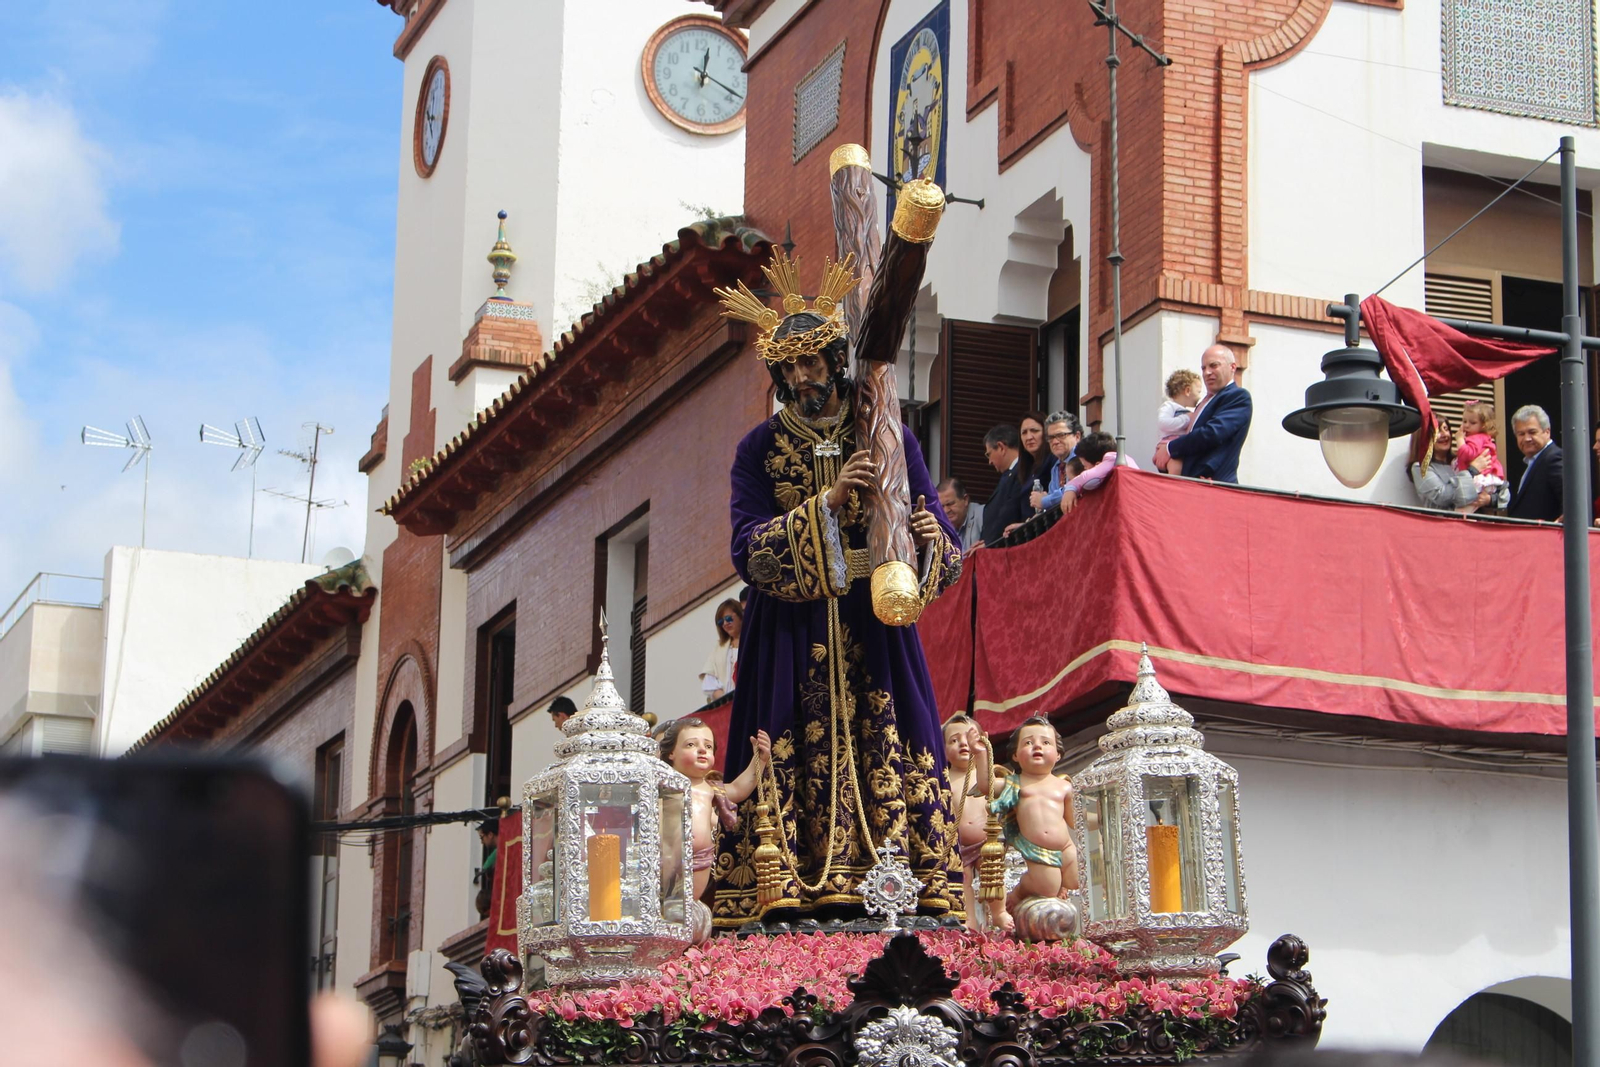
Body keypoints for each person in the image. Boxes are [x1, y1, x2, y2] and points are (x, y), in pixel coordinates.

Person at [711, 243, 964, 928]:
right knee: (792, 746)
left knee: (894, 733)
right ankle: (790, 887)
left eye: (813, 363)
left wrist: (928, 541)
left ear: (836, 360)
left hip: (876, 624)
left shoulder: (888, 436)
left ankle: (906, 881)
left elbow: (943, 538)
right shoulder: (758, 451)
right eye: (789, 367)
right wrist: (821, 506)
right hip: (790, 635)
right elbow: (746, 549)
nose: (802, 377)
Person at [659, 717, 770, 900]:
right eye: (691, 745)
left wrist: (759, 760)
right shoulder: (662, 786)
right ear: (671, 752)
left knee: (691, 903)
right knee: (669, 905)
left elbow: (738, 788)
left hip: (703, 858)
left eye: (708, 747)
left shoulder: (710, 789)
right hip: (669, 856)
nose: (702, 750)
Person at [989, 716, 1078, 933]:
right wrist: (983, 753)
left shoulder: (1064, 786)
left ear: (1058, 754)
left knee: (1077, 880)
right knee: (1047, 887)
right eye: (1028, 742)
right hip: (1037, 849)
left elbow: (1076, 821)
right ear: (1015, 755)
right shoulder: (1014, 783)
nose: (1037, 746)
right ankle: (1021, 890)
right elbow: (985, 785)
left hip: (1066, 847)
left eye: (1046, 742)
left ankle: (1061, 884)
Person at [1157, 345, 1251, 483]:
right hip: (1192, 484)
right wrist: (1165, 458)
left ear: (1232, 367)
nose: (1207, 372)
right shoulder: (1203, 403)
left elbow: (1212, 433)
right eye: (1203, 368)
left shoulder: (1238, 396)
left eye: (1213, 366)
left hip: (1215, 485)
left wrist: (1171, 448)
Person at [943, 714, 995, 928]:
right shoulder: (943, 778)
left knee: (992, 878)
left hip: (987, 843)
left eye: (969, 738)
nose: (963, 744)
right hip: (957, 846)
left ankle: (997, 915)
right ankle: (969, 921)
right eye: (954, 740)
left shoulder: (985, 774)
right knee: (962, 880)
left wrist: (982, 754)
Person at [1409, 416, 1495, 513]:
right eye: (1437, 431)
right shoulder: (1420, 467)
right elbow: (1442, 496)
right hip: (1445, 525)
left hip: (1478, 524)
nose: (1444, 434)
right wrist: (1472, 471)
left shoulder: (1460, 461)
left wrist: (1490, 499)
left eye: (1446, 429)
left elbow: (1501, 490)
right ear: (1424, 437)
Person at [1056, 431, 1139, 515]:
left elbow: (1085, 479)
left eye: (1085, 466)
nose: (1084, 469)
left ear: (1098, 465)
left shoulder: (1112, 460)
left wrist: (1070, 489)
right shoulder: (1126, 459)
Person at [1507, 404, 1564, 521]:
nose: (1526, 439)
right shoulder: (1532, 462)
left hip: (1547, 537)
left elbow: (1570, 500)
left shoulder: (1554, 458)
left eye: (1532, 432)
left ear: (1547, 432)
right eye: (1521, 434)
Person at [980, 423, 1030, 544]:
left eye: (989, 454)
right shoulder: (1009, 474)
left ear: (1001, 447)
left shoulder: (1023, 471)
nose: (990, 462)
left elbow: (1008, 512)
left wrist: (988, 542)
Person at [1454, 401, 1507, 505]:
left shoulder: (1477, 438)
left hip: (1480, 478)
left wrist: (1459, 439)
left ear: (1483, 425)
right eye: (1464, 421)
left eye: (1472, 423)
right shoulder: (1479, 438)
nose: (1466, 425)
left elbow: (1466, 454)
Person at [1029, 411, 1083, 513]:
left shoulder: (1083, 459)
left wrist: (1044, 500)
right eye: (1051, 437)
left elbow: (1076, 487)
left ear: (1077, 436)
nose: (1055, 441)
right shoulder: (1056, 467)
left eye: (1061, 435)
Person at [1154, 368, 1201, 474]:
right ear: (1187, 390)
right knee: (1176, 468)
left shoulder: (1190, 412)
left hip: (1179, 447)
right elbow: (1163, 423)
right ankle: (1171, 488)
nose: (1199, 396)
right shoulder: (1169, 406)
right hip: (1168, 445)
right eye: (1198, 392)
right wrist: (1186, 419)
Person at [699, 598, 742, 700]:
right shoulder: (719, 649)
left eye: (728, 618)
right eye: (721, 622)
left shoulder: (753, 640)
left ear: (740, 616)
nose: (725, 624)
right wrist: (725, 700)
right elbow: (709, 681)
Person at [937, 476, 985, 550]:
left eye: (950, 504)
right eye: (942, 507)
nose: (946, 510)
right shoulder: (942, 527)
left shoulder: (983, 514)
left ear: (965, 500)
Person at [1019, 411, 1052, 502]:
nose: (1029, 437)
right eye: (1024, 432)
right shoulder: (1026, 468)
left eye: (1034, 431)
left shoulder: (1053, 460)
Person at [474, 819, 498, 919]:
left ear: (490, 835)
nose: (481, 842)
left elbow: (486, 867)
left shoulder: (501, 850)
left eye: (482, 837)